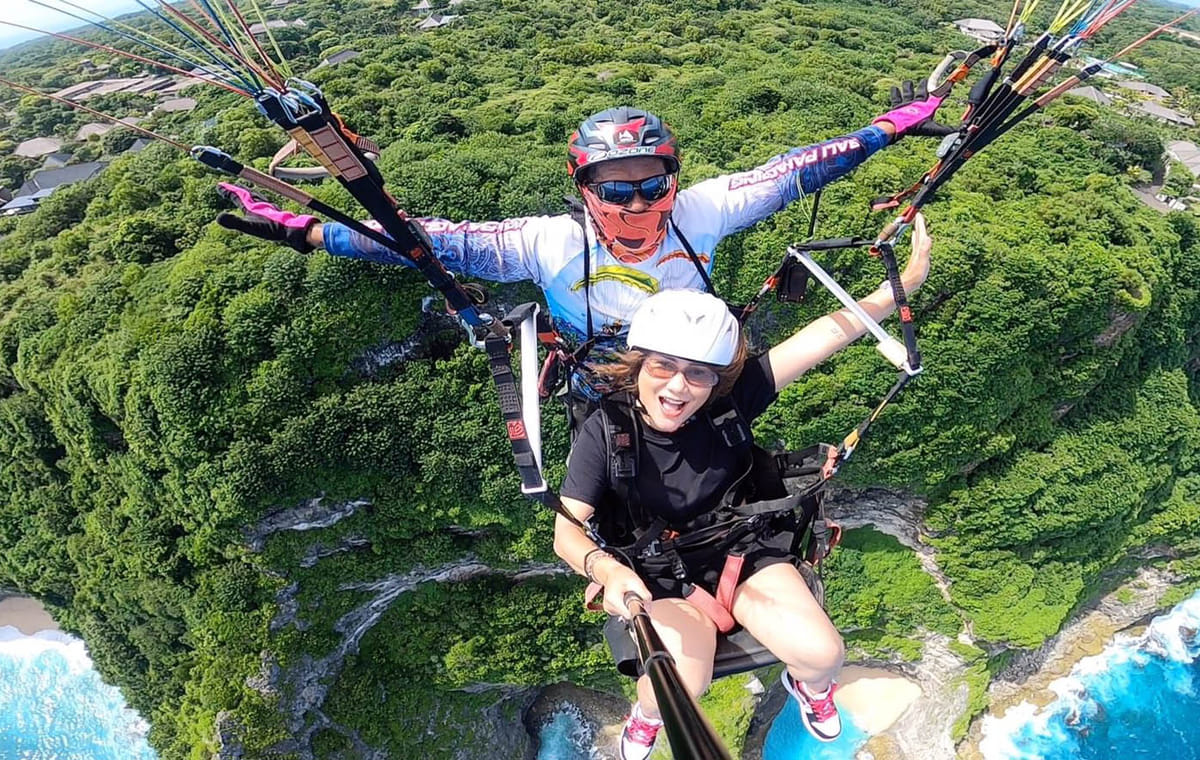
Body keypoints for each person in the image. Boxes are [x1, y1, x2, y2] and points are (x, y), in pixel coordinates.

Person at [217, 88, 946, 418]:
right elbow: (423, 243)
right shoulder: (549, 242)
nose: (636, 206)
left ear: (673, 180)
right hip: (606, 383)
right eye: (615, 191)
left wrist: (889, 127)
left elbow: (798, 170)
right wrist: (307, 231)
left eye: (651, 186)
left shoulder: (702, 209)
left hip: (696, 374)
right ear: (584, 190)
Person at [551, 214, 932, 759]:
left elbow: (824, 334)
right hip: (659, 575)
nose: (679, 387)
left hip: (743, 552)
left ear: (717, 379)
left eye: (699, 373)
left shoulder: (730, 403)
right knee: (676, 685)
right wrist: (606, 570)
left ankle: (809, 688)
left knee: (824, 654)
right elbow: (567, 530)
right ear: (640, 364)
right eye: (664, 367)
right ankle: (649, 714)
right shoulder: (607, 431)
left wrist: (900, 288)